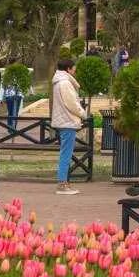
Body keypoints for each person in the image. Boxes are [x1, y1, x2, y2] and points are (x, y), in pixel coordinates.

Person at [50, 57, 85, 196]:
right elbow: (71, 103)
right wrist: (83, 113)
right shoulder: (64, 83)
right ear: (68, 69)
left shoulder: (59, 81)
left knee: (65, 153)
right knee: (66, 153)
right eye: (74, 67)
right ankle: (62, 184)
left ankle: (63, 182)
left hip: (64, 121)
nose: (75, 70)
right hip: (67, 122)